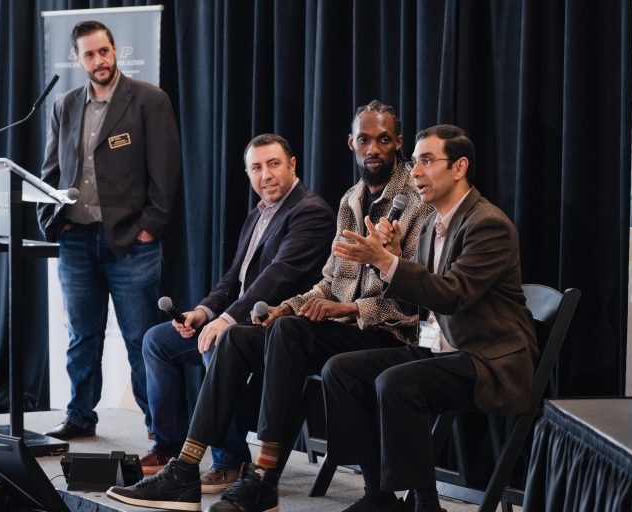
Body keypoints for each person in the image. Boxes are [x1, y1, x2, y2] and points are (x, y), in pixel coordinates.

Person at [105, 99, 432, 511]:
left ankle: (263, 477)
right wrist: (289, 306)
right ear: (351, 143)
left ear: (399, 143)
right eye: (364, 139)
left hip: (386, 333)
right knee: (239, 338)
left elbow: (418, 300)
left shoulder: (417, 202)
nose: (374, 149)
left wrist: (347, 309)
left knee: (284, 330)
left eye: (384, 140)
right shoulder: (351, 200)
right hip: (341, 332)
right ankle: (185, 469)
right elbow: (329, 282)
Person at [325, 124, 538, 512]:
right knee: (340, 371)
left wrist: (388, 263)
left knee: (397, 383)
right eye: (414, 161)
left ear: (459, 167)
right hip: (438, 349)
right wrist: (394, 263)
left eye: (427, 161)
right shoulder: (428, 227)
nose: (416, 172)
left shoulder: (487, 224)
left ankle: (426, 505)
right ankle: (379, 496)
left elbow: (454, 295)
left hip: (487, 359)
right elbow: (415, 307)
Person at [139, 133, 336, 491]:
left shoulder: (311, 212)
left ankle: (229, 461)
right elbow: (235, 278)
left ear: (293, 165)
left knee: (218, 344)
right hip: (238, 319)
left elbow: (278, 277)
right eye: (256, 168)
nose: (266, 175)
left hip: (279, 329)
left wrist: (226, 320)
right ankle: (168, 444)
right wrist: (203, 311)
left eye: (274, 164)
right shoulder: (257, 214)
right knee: (157, 341)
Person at [37, 20, 181, 440]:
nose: (98, 61)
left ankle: (161, 430)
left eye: (103, 51)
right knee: (81, 336)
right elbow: (52, 169)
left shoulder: (148, 100)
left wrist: (150, 228)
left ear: (115, 50)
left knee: (141, 340)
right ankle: (80, 416)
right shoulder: (63, 105)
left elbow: (166, 171)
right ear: (77, 59)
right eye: (89, 54)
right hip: (76, 239)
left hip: (131, 243)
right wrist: (55, 221)